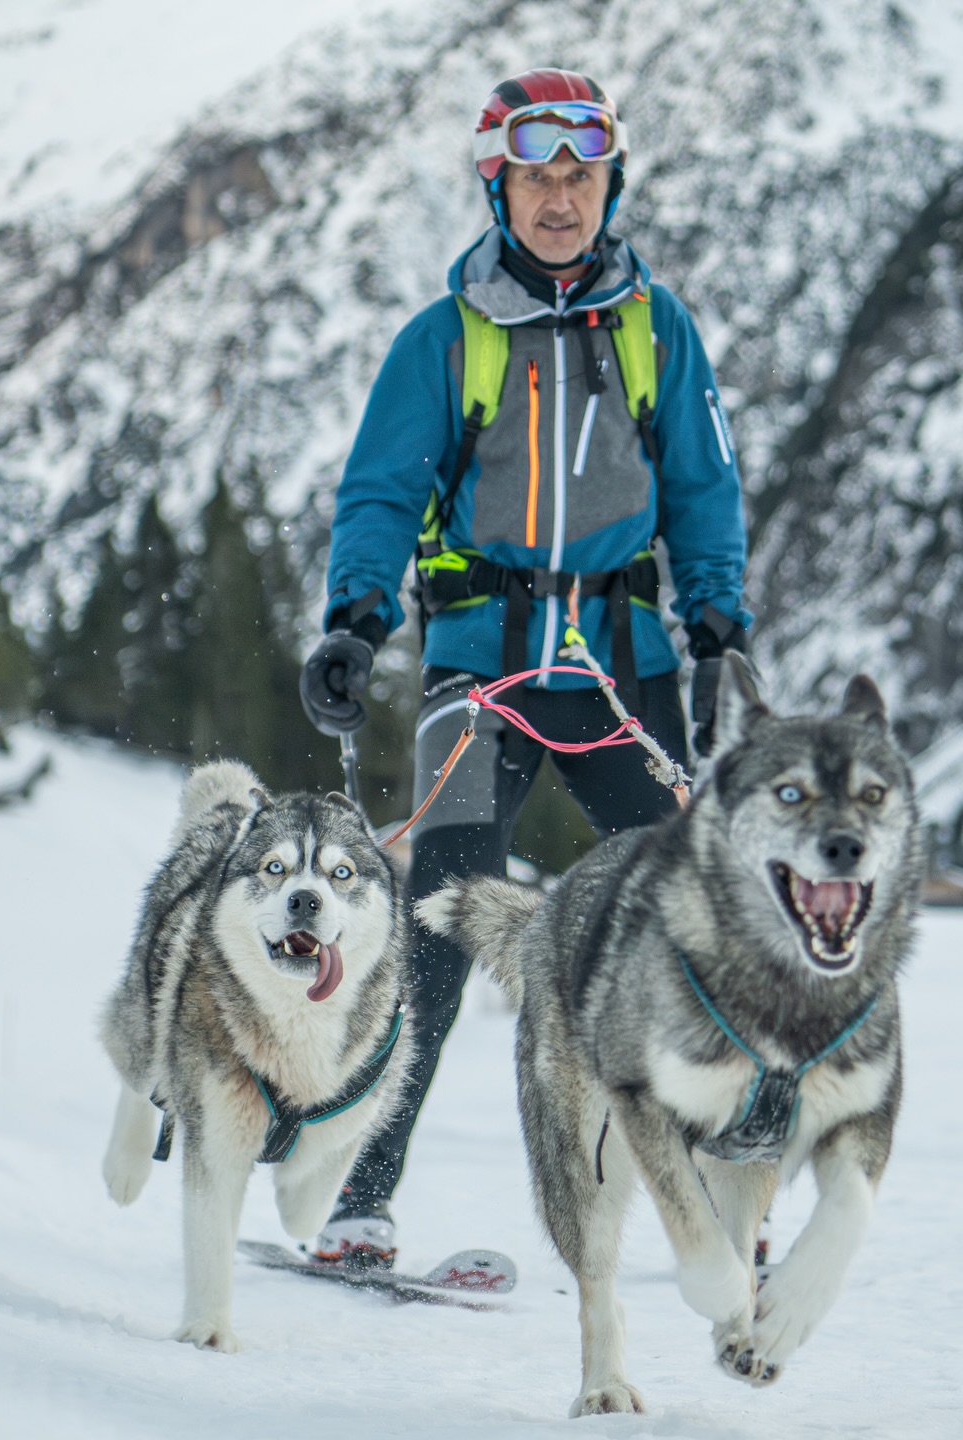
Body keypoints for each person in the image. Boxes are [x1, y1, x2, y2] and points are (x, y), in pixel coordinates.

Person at [299, 67, 750, 1266]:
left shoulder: (658, 331)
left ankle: (720, 1198)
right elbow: (383, 490)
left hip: (622, 671)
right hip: (480, 673)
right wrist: (354, 618)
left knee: (695, 923)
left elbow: (704, 490)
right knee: (440, 922)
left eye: (582, 175)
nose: (563, 198)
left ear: (611, 184)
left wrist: (717, 628)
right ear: (498, 184)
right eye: (538, 175)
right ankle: (356, 1196)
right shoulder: (446, 340)